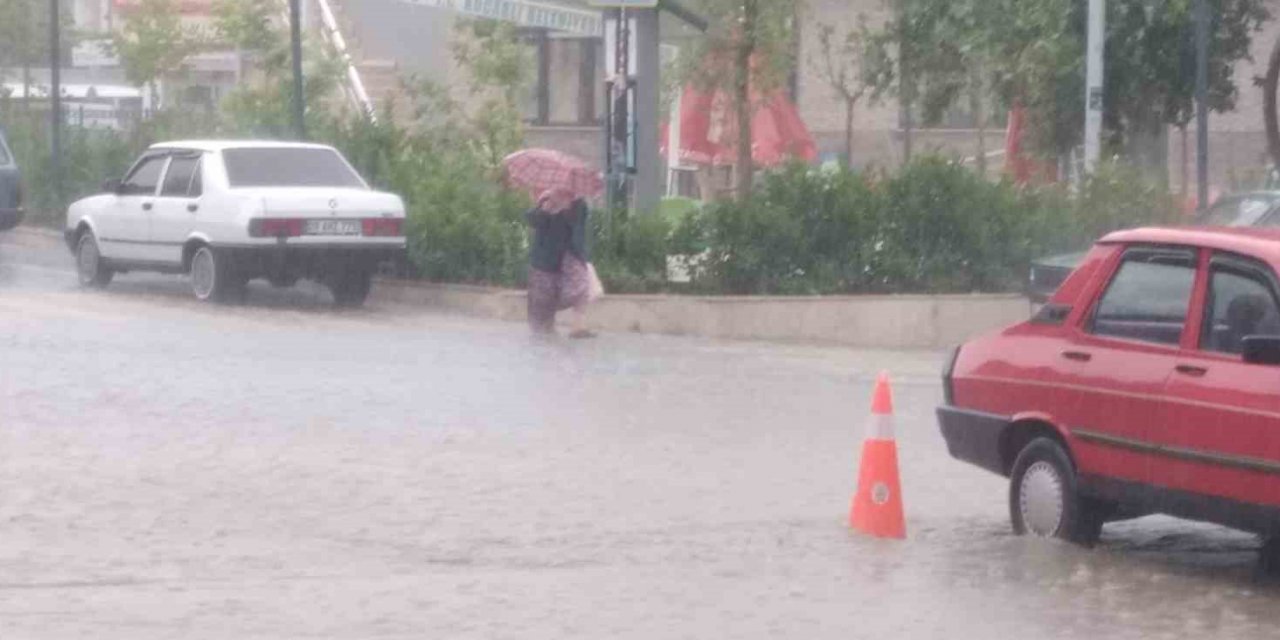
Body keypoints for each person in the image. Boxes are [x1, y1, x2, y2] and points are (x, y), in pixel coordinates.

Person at [525, 189, 601, 338]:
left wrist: (566, 207)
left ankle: (578, 326)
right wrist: (545, 209)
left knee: (581, 288)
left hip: (570, 255)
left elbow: (579, 224)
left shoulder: (578, 203)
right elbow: (532, 219)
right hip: (546, 258)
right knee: (544, 298)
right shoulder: (546, 199)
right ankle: (544, 329)